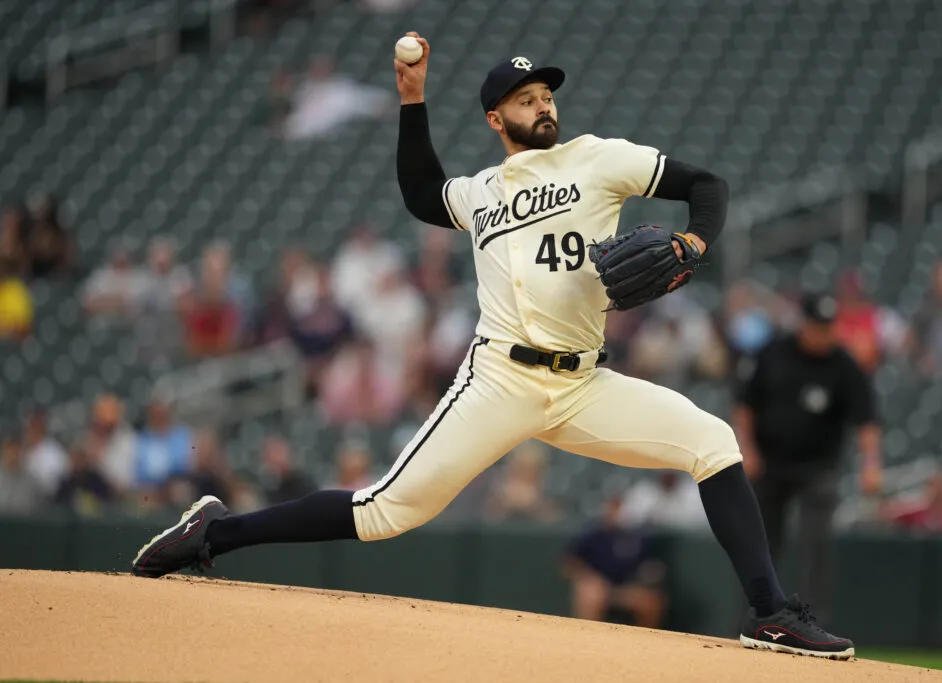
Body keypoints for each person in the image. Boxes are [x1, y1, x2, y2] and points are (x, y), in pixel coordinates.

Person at [131, 35, 854, 659]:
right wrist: (412, 98)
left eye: (546, 93)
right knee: (387, 510)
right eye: (525, 97)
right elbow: (421, 193)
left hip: (582, 385)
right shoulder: (479, 192)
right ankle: (214, 533)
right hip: (499, 381)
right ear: (495, 118)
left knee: (712, 439)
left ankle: (769, 615)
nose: (542, 105)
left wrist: (694, 241)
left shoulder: (598, 158)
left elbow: (707, 184)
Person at [734, 293, 882, 626]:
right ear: (804, 324)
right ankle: (754, 617)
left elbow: (867, 418)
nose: (823, 334)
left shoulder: (843, 363)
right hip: (770, 463)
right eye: (817, 326)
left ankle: (812, 624)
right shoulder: (774, 352)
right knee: (761, 544)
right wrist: (748, 449)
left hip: (818, 467)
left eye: (828, 327)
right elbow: (745, 404)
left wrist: (871, 464)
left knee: (816, 546)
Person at [563, 495, 667, 628]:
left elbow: (649, 565)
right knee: (590, 594)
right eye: (613, 507)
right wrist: (588, 577)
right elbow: (569, 561)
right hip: (599, 587)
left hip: (626, 588)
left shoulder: (636, 536)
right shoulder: (592, 533)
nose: (616, 512)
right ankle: (588, 637)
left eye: (619, 507)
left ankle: (644, 643)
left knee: (650, 601)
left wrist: (649, 575)